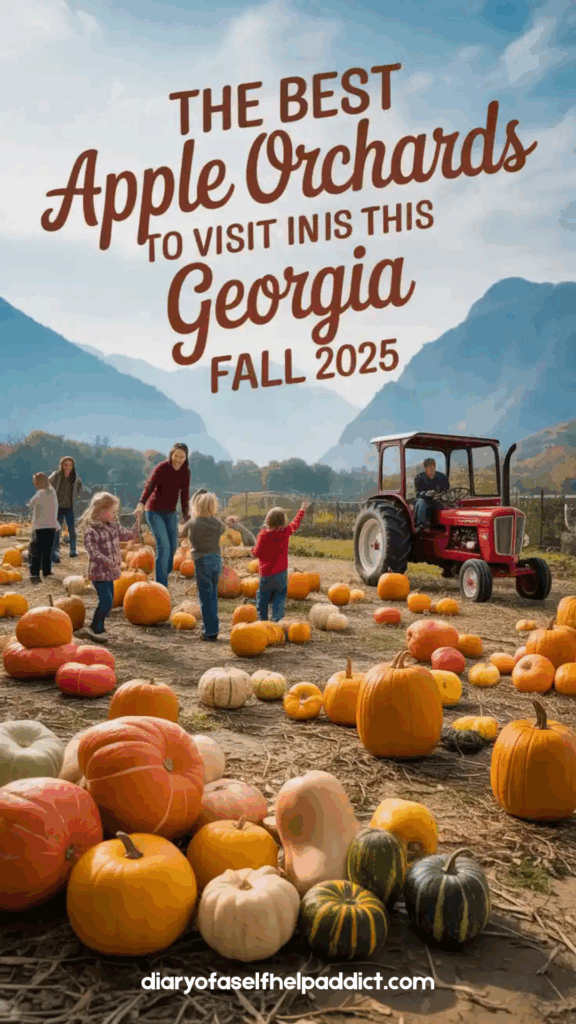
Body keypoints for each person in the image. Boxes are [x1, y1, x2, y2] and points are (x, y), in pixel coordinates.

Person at [79, 491, 139, 638]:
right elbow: (93, 553)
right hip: (98, 573)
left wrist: (134, 532)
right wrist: (108, 561)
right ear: (101, 511)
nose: (115, 514)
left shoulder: (113, 523)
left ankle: (100, 627)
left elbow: (122, 534)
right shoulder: (91, 532)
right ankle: (95, 629)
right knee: (105, 601)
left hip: (110, 573)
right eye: (113, 511)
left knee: (109, 601)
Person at [134, 444, 191, 589]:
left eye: (182, 457)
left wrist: (186, 515)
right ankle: (161, 586)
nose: (178, 459)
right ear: (172, 454)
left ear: (186, 458)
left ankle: (163, 573)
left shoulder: (186, 472)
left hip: (170, 512)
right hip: (154, 511)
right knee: (163, 545)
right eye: (176, 456)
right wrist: (141, 502)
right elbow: (150, 485)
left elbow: (184, 495)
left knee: (173, 547)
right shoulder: (162, 468)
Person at [252, 501, 310, 621]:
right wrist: (301, 510)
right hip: (281, 574)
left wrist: (252, 551)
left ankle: (262, 622)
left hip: (266, 575)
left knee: (262, 600)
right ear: (283, 522)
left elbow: (256, 553)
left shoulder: (263, 535)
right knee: (279, 599)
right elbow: (295, 524)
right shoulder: (285, 532)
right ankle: (277, 622)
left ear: (268, 521)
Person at [181, 491, 225, 642]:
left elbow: (181, 533)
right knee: (213, 596)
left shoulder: (193, 523)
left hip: (202, 561)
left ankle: (210, 632)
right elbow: (223, 529)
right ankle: (214, 628)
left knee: (205, 598)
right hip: (216, 561)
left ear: (196, 506)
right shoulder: (218, 523)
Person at [28, 473, 59, 584]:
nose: (35, 484)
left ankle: (35, 574)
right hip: (51, 526)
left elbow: (31, 503)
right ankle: (47, 571)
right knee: (47, 550)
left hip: (40, 526)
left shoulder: (40, 493)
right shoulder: (52, 491)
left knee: (35, 550)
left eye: (36, 481)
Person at [50, 456, 83, 563]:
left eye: (70, 465)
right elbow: (48, 484)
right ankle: (55, 551)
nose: (68, 467)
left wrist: (73, 497)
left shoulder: (74, 477)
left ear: (73, 467)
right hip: (58, 507)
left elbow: (79, 487)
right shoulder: (56, 475)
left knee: (72, 529)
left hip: (69, 506)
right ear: (62, 466)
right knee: (57, 530)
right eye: (65, 465)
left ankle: (73, 550)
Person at [414, 458, 449, 531]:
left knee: (449, 504)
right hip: (425, 500)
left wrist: (442, 494)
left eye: (433, 467)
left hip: (438, 500)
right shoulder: (419, 477)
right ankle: (421, 525)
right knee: (421, 502)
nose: (432, 470)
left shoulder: (442, 477)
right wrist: (426, 493)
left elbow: (446, 489)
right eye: (429, 468)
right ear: (425, 468)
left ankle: (445, 526)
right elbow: (417, 493)